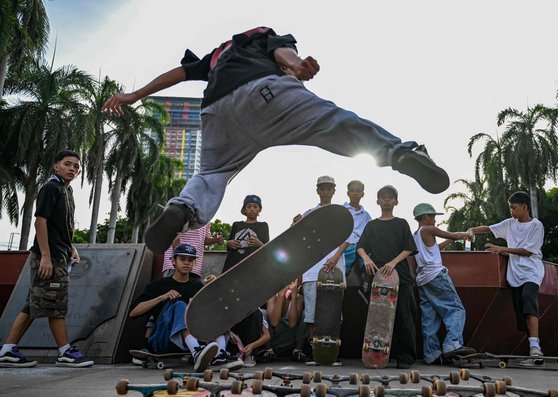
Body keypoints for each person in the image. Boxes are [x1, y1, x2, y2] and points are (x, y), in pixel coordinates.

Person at [103, 26, 450, 255]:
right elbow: (281, 51)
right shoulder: (264, 34)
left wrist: (135, 94)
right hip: (265, 92)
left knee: (212, 175)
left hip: (217, 111)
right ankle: (399, 154)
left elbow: (179, 73)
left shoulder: (215, 56)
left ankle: (182, 209)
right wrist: (295, 65)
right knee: (334, 123)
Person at [0, 150, 93, 368]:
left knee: (33, 305)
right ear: (56, 166)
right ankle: (64, 351)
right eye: (67, 164)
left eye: (76, 166)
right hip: (49, 257)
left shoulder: (65, 190)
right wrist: (46, 257)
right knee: (56, 303)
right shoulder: (51, 188)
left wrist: (71, 248)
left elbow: (59, 226)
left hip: (59, 254)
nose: (72, 168)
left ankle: (7, 350)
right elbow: (40, 222)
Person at [468, 191, 546, 366]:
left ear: (524, 207)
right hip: (514, 275)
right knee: (522, 314)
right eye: (510, 207)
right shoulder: (510, 224)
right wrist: (471, 231)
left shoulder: (536, 225)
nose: (511, 210)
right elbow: (489, 228)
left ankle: (536, 349)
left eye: (514, 207)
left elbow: (528, 251)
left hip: (532, 272)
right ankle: (533, 351)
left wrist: (500, 248)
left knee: (528, 300)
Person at [129, 243, 218, 372]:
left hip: (187, 342)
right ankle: (196, 351)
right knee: (179, 305)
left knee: (200, 309)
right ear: (173, 261)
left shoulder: (197, 287)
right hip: (162, 339)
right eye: (182, 259)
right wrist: (162, 297)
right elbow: (133, 312)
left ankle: (214, 352)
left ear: (194, 264)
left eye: (190, 260)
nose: (186, 263)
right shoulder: (159, 285)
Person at [357, 185, 418, 369]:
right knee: (377, 319)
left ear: (396, 202)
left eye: (390, 197)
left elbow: (409, 248)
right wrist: (366, 257)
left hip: (400, 277)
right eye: (383, 197)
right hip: (377, 278)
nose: (386, 200)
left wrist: (392, 263)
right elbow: (360, 247)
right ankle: (378, 355)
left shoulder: (401, 223)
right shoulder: (372, 225)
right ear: (377, 201)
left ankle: (405, 357)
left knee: (403, 317)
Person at [412, 203, 475, 365]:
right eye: (432, 216)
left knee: (430, 316)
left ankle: (431, 353)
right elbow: (453, 235)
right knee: (455, 309)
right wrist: (467, 234)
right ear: (425, 217)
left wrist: (448, 241)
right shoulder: (428, 229)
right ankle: (452, 344)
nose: (434, 219)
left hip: (423, 278)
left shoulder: (416, 235)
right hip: (436, 275)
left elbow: (435, 248)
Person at [296, 175, 348, 362]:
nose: (326, 191)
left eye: (329, 188)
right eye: (322, 188)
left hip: (334, 271)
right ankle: (315, 352)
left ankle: (331, 354)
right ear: (317, 190)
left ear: (334, 190)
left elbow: (347, 238)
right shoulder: (309, 213)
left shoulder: (342, 213)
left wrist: (335, 257)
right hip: (312, 271)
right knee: (312, 314)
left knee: (333, 314)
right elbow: (299, 240)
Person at [222, 195, 271, 366]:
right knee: (232, 308)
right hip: (234, 273)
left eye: (255, 206)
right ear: (244, 209)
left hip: (253, 274)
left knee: (251, 310)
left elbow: (268, 249)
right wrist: (229, 243)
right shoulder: (237, 225)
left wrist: (259, 243)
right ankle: (232, 350)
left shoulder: (263, 226)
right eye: (249, 206)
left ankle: (251, 352)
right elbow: (229, 244)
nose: (251, 209)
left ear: (259, 210)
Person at [343, 180, 372, 277]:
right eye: (352, 191)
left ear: (362, 194)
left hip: (361, 246)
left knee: (368, 265)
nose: (355, 193)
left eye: (358, 191)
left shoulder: (366, 215)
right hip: (346, 246)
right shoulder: (342, 210)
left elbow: (370, 232)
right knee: (343, 270)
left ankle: (366, 286)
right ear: (348, 193)